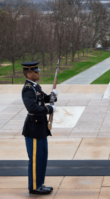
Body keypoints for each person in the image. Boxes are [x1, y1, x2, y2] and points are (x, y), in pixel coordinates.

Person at [21, 62, 58, 195]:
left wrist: (52, 96)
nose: (39, 73)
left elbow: (43, 99)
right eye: (36, 72)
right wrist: (49, 109)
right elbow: (32, 108)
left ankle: (40, 184)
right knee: (36, 159)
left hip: (40, 128)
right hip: (34, 129)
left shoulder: (35, 87)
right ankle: (34, 187)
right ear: (29, 74)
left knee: (42, 158)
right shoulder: (28, 89)